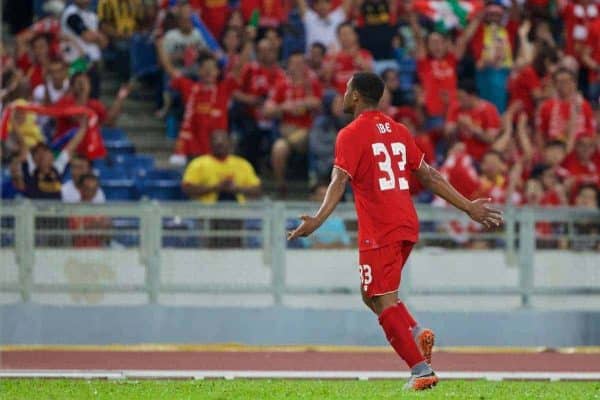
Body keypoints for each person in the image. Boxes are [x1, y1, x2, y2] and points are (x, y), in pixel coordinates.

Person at [288, 72, 502, 391]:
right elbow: (428, 175)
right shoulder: (399, 130)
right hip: (405, 223)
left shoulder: (350, 134)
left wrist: (317, 221)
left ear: (357, 96)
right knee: (371, 293)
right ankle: (415, 333)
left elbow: (338, 181)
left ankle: (420, 370)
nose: (343, 95)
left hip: (381, 227)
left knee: (382, 299)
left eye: (347, 90)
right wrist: (468, 206)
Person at [264, 52, 323, 195]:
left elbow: (320, 104)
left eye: (301, 63)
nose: (297, 67)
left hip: (308, 131)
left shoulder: (312, 83)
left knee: (301, 136)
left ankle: (314, 181)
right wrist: (283, 107)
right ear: (288, 66)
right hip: (286, 133)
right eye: (294, 63)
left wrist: (304, 103)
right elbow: (267, 109)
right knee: (278, 148)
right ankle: (281, 186)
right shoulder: (282, 85)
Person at [181, 130, 262, 204]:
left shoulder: (243, 164)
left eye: (223, 142)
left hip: (238, 212)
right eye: (216, 142)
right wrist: (215, 188)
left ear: (230, 143)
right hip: (206, 213)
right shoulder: (198, 163)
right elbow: (187, 189)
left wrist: (236, 189)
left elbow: (257, 190)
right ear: (210, 144)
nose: (219, 144)